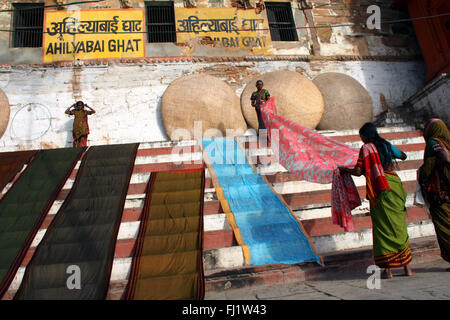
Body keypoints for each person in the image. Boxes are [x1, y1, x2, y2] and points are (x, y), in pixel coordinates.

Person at [339, 122, 413, 278]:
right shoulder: (386, 145)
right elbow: (403, 155)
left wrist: (344, 169)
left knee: (383, 228)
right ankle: (407, 268)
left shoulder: (366, 149)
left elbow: (358, 171)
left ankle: (388, 270)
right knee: (399, 226)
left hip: (381, 190)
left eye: (362, 137)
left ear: (365, 136)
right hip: (395, 186)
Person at [418, 119, 449, 267]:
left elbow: (443, 157)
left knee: (445, 226)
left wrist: (423, 173)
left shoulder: (433, 142)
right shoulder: (447, 141)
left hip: (440, 192)